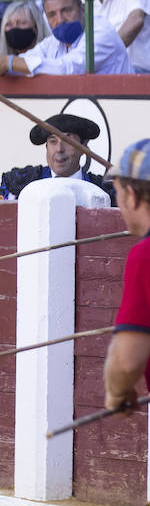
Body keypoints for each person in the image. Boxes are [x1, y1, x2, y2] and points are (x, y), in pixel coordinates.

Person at [0, 0, 132, 75]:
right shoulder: (55, 41)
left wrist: (7, 62)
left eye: (66, 11)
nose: (60, 20)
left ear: (83, 9)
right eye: (52, 15)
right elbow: (27, 62)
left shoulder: (101, 32)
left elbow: (68, 68)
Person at [104, 140, 150, 413]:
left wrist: (117, 390)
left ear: (131, 195)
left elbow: (127, 361)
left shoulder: (145, 256)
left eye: (117, 192)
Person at [0, 113, 111, 200]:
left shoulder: (103, 189)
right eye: (53, 141)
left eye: (68, 141)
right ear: (46, 147)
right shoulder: (20, 183)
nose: (59, 149)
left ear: (84, 147)